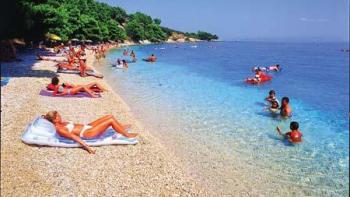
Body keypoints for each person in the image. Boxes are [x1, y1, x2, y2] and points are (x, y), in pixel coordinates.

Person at [42, 111, 138, 154]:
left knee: (110, 116)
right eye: (59, 116)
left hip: (87, 126)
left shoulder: (61, 123)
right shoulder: (60, 129)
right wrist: (87, 147)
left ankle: (120, 127)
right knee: (111, 121)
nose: (61, 116)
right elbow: (74, 137)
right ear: (55, 119)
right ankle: (127, 135)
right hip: (88, 133)